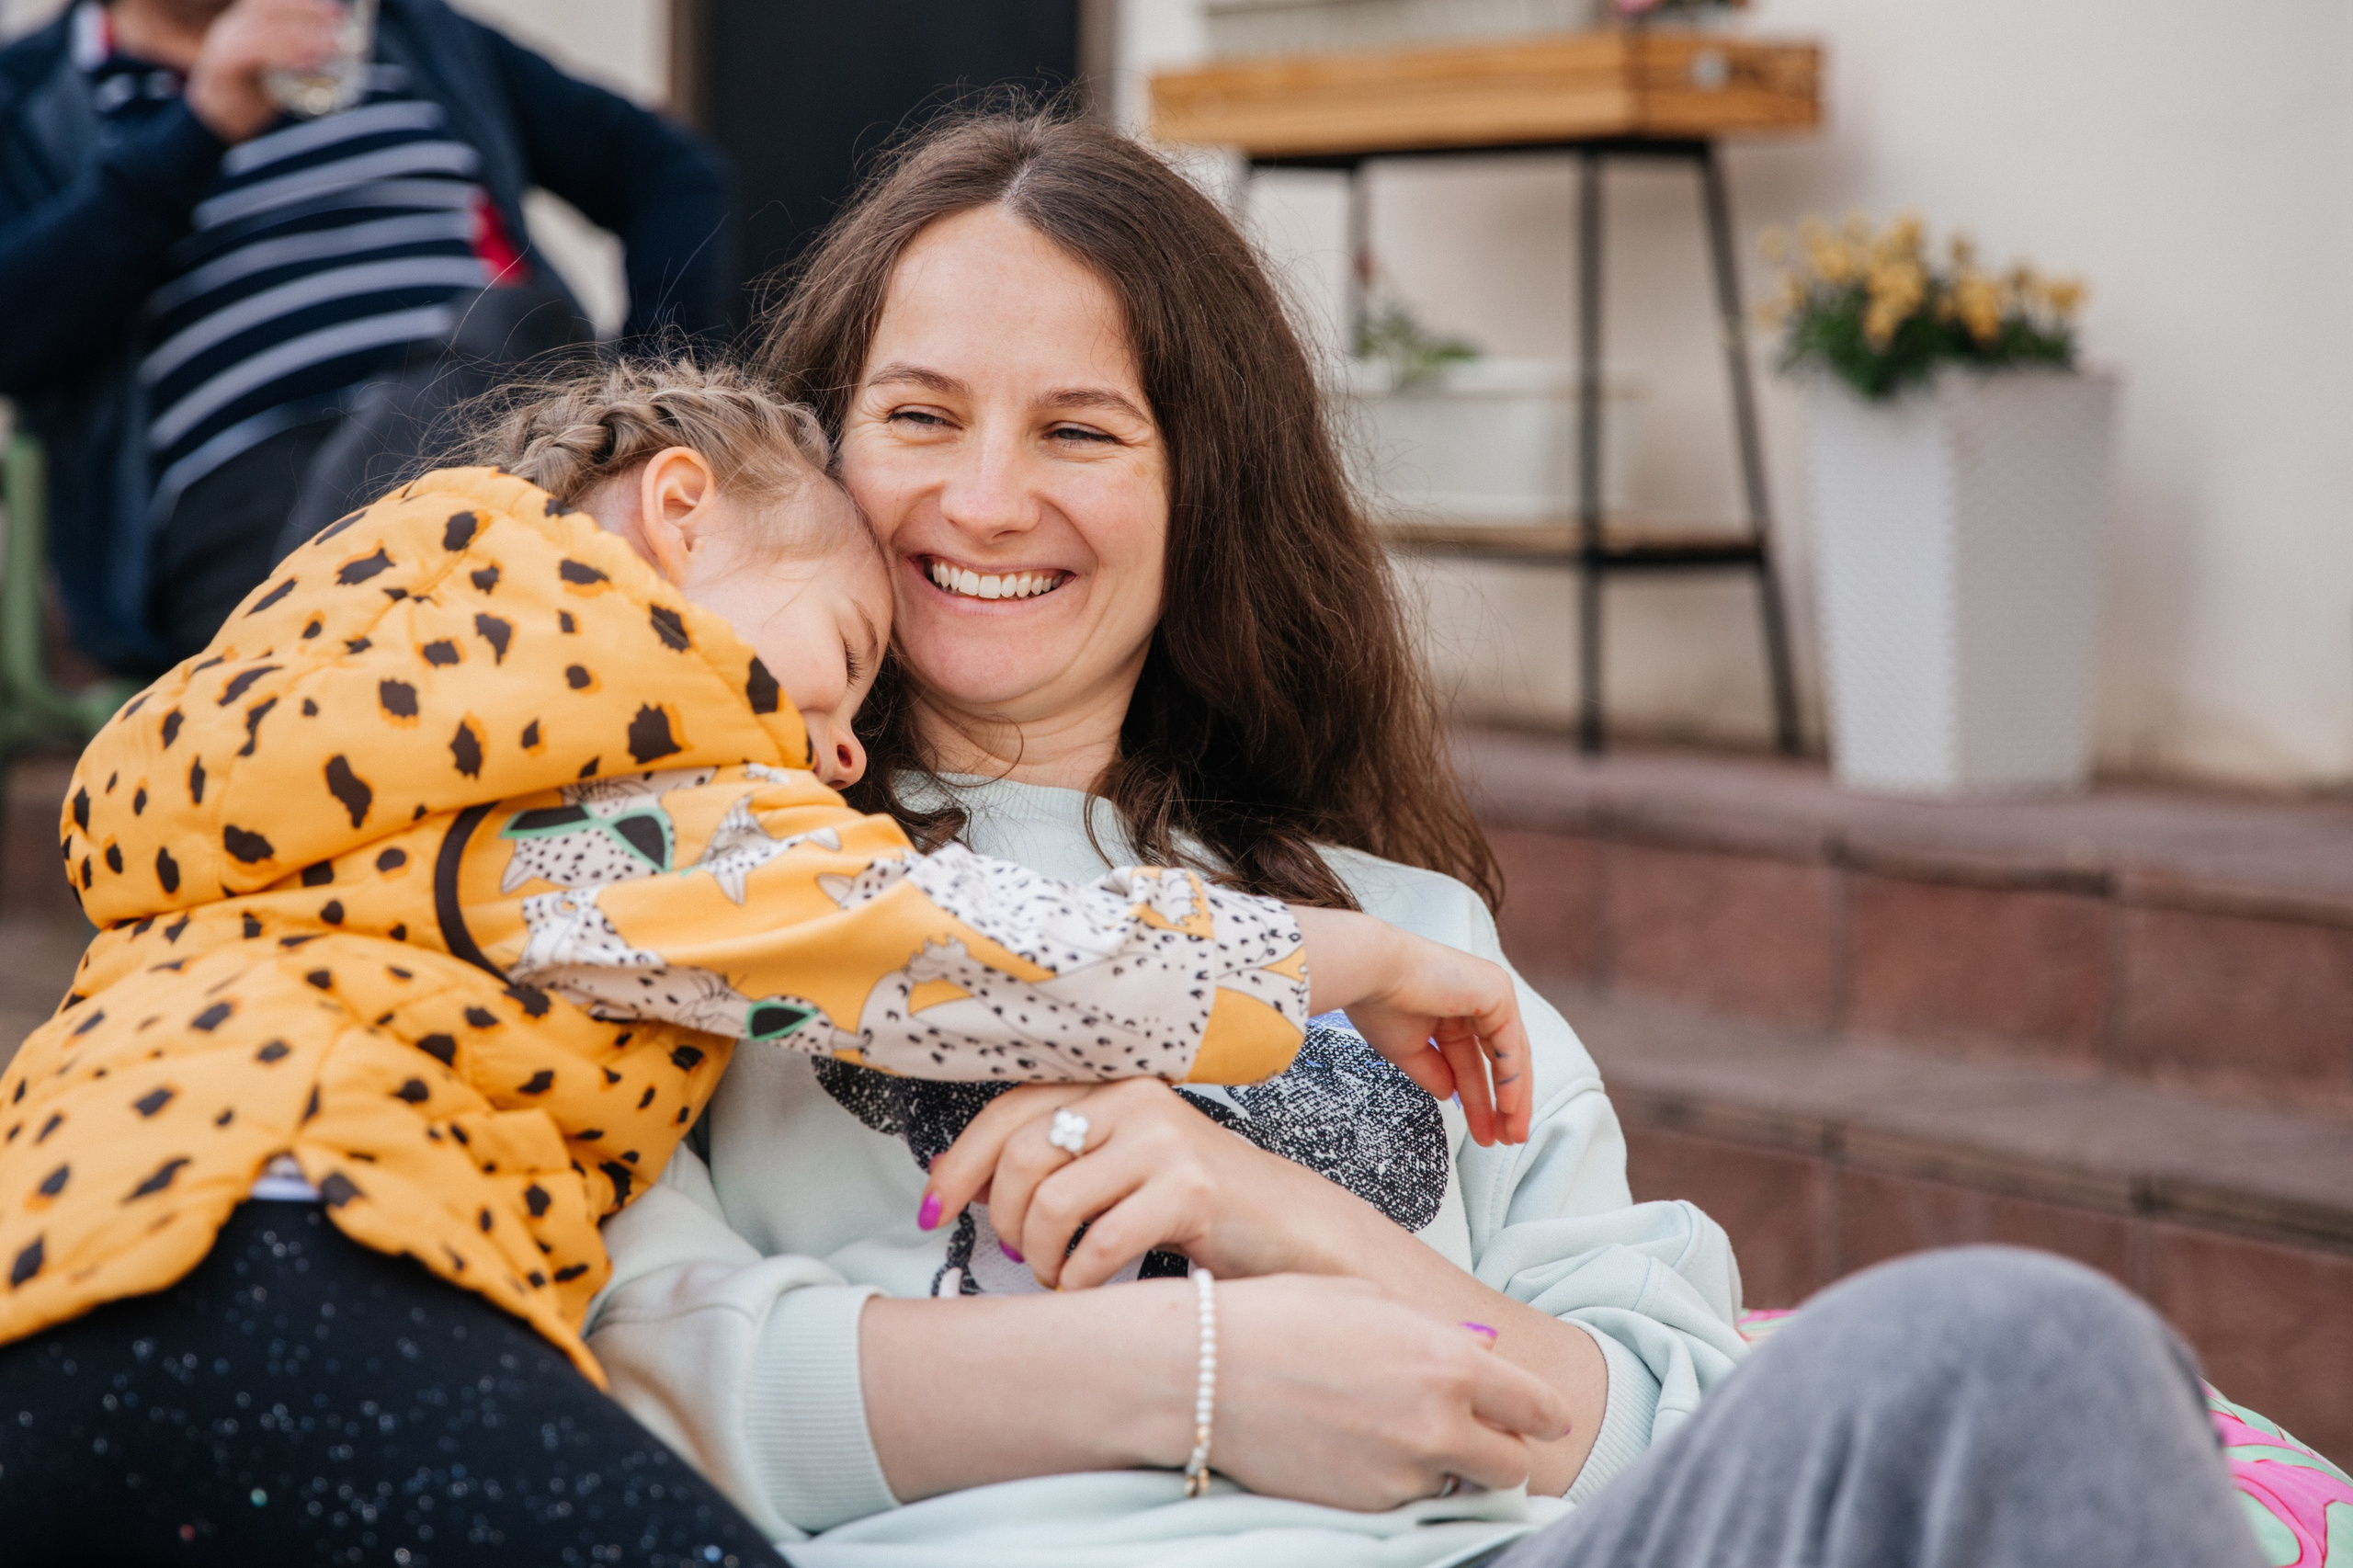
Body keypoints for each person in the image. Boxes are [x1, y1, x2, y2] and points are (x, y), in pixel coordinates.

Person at [583, 114, 2261, 1568]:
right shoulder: (681, 891)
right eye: (922, 416)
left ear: (1204, 489)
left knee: (2038, 1353)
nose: (990, 497)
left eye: (1080, 430)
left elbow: (1656, 1414)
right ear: (820, 443)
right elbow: (640, 1375)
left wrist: (1292, 1223)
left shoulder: (1401, 930)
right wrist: (1212, 1378)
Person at [0, 352, 1537, 1563]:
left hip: (64, 1284)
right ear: (680, 512)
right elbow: (948, 949)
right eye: (848, 655)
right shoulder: (598, 770)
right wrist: (1354, 959)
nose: (841, 741)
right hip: (289, 1268)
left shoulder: (376, 691)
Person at [0, 0, 733, 676]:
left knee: (510, 329)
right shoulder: (28, 94)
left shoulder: (401, 30)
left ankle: (296, 673)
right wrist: (202, 124)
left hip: (505, 423)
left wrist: (653, 397)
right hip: (243, 496)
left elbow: (671, 171)